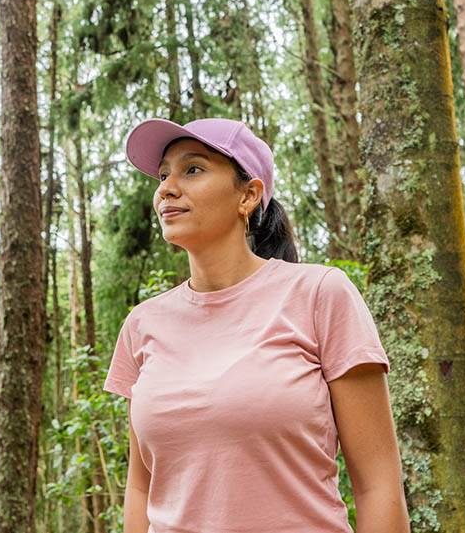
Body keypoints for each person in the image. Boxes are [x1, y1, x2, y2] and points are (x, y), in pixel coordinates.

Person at [102, 118, 411, 533]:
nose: (166, 189)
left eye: (192, 169)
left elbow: (378, 485)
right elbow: (141, 488)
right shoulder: (142, 325)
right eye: (162, 175)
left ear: (248, 195)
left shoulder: (320, 294)